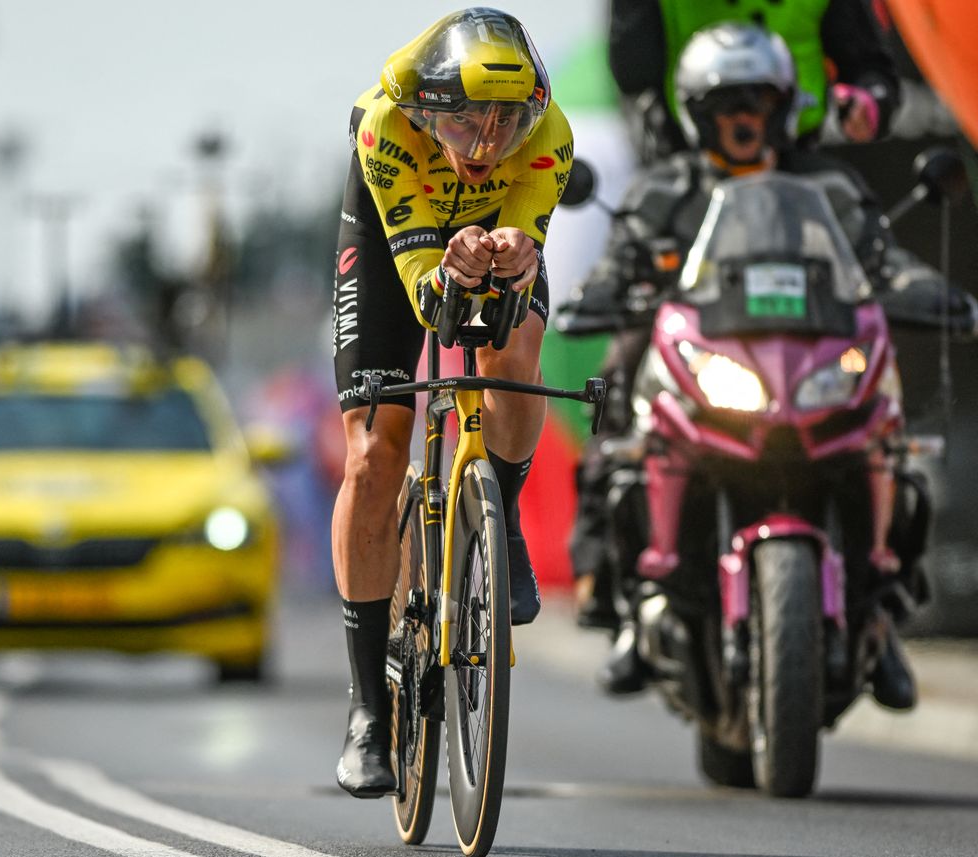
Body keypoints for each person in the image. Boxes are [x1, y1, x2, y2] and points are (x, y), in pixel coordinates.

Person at [559, 22, 977, 710]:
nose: (743, 117)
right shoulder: (664, 191)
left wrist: (925, 287)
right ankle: (623, 597)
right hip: (703, 367)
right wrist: (601, 292)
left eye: (757, 101)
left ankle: (882, 609)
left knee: (891, 445)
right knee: (618, 429)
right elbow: (620, 258)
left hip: (806, 364)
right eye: (727, 104)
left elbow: (878, 254)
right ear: (696, 113)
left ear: (784, 106)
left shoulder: (829, 186)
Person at [332, 8, 574, 797]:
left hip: (492, 235)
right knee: (377, 447)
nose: (484, 145)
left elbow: (516, 276)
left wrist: (509, 258)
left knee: (517, 348)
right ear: (431, 110)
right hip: (398, 239)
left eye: (505, 125)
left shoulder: (551, 137)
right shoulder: (387, 125)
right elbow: (428, 303)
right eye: (467, 122)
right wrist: (450, 271)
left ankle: (497, 515)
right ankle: (369, 709)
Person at [608, 0, 902, 162]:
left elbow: (871, 68)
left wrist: (869, 104)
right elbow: (632, 74)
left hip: (795, 166)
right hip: (690, 169)